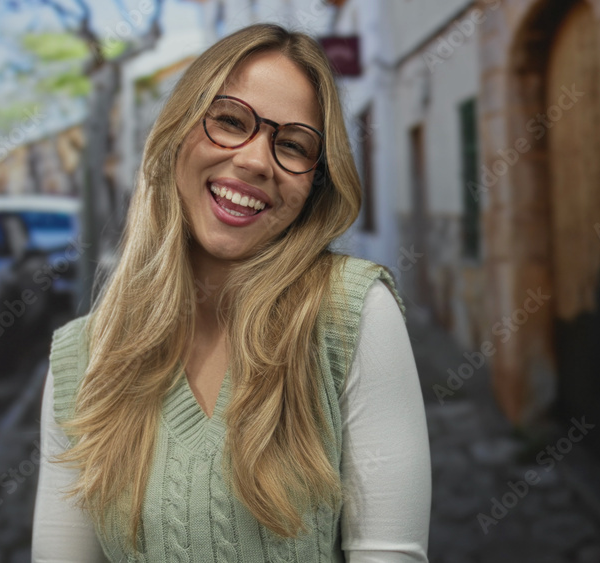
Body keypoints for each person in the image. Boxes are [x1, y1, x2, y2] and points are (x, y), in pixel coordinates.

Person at [32, 23, 431, 562]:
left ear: (315, 184)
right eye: (228, 121)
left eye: (292, 144)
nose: (254, 161)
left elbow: (391, 554)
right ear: (176, 134)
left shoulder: (351, 314)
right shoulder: (83, 361)